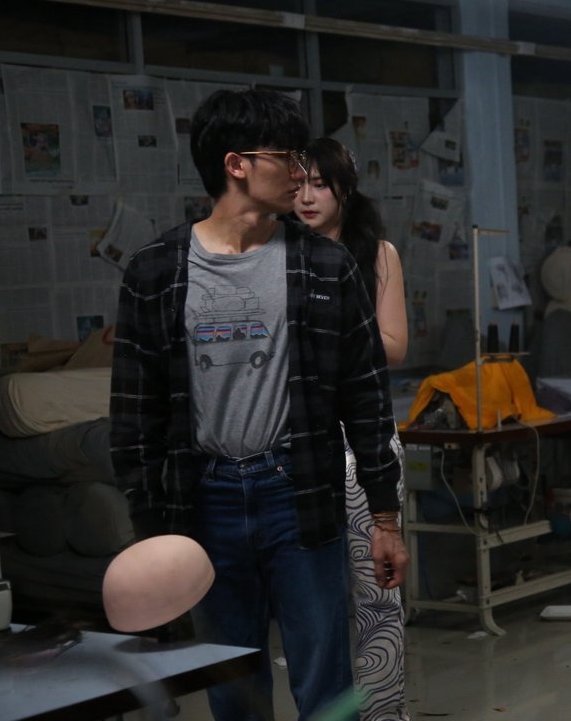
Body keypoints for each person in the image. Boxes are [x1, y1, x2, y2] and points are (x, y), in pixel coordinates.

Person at [110, 89, 408, 721]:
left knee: (326, 685)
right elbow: (135, 417)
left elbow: (365, 398)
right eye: (288, 157)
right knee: (233, 688)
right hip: (205, 501)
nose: (300, 173)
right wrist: (150, 531)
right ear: (237, 165)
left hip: (298, 492)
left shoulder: (325, 265)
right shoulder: (155, 271)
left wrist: (385, 519)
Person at [295, 137, 410, 721]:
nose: (307, 196)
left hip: (363, 439)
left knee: (376, 598)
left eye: (320, 183)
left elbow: (395, 345)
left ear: (345, 188)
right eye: (298, 184)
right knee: (311, 601)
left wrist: (326, 335)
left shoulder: (377, 255)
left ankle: (383, 714)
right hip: (298, 442)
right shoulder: (279, 254)